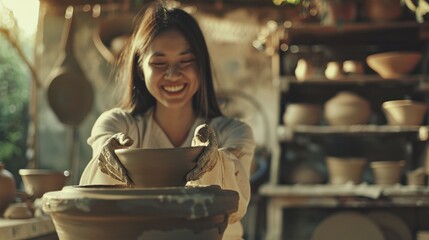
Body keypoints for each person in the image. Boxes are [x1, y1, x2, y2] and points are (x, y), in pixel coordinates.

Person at [79, 1, 255, 239]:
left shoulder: (234, 133)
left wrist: (216, 162)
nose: (173, 74)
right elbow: (98, 197)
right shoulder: (116, 126)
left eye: (186, 61)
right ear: (141, 69)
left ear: (201, 66)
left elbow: (234, 205)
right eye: (159, 63)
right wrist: (110, 156)